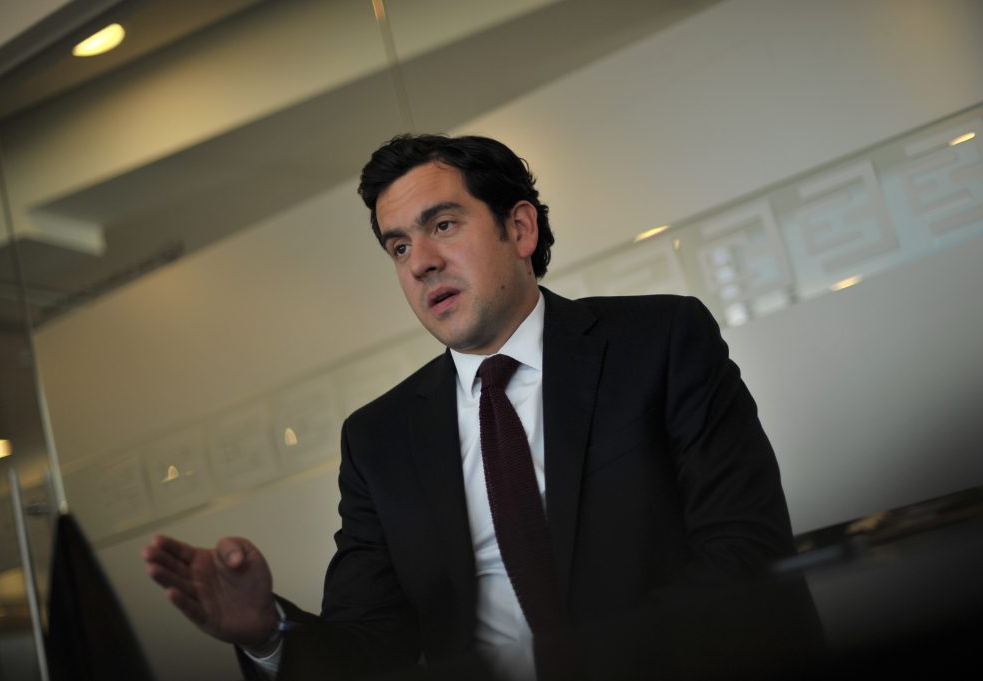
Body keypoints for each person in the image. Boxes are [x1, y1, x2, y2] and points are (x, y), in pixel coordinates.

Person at [143, 134, 795, 681]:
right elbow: (370, 646)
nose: (421, 263)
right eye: (399, 246)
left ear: (520, 228)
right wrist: (267, 631)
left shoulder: (660, 342)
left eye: (443, 226)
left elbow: (744, 545)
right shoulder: (378, 441)